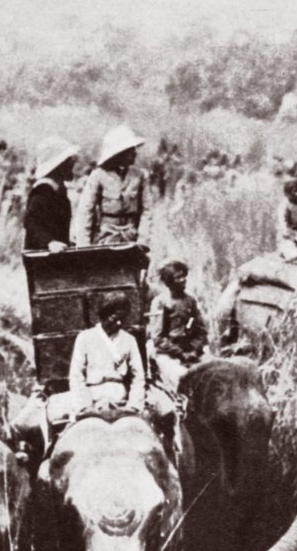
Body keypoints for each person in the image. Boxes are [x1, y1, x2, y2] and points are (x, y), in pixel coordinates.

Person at [68, 295, 146, 417]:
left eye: (122, 319)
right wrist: (85, 406)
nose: (119, 323)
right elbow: (76, 375)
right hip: (92, 397)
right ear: (104, 315)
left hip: (120, 400)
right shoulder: (85, 337)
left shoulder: (129, 340)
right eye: (114, 318)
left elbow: (138, 376)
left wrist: (133, 405)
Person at [76, 124, 147, 246]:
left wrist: (143, 240)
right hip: (106, 237)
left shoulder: (139, 175)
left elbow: (147, 211)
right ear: (119, 153)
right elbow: (86, 211)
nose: (135, 154)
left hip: (131, 237)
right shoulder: (98, 175)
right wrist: (84, 245)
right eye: (130, 150)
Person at [148, 258, 208, 388]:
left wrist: (194, 350)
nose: (183, 280)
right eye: (177, 278)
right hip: (168, 353)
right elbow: (158, 337)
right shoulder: (160, 302)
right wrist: (180, 353)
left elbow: (201, 330)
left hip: (191, 352)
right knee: (182, 379)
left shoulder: (190, 301)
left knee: (212, 373)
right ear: (169, 282)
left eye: (183, 276)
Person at [23, 136, 78, 251]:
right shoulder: (44, 190)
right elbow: (31, 221)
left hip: (55, 254)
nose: (72, 164)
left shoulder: (58, 189)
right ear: (59, 165)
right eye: (68, 161)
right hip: (40, 256)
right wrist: (49, 242)